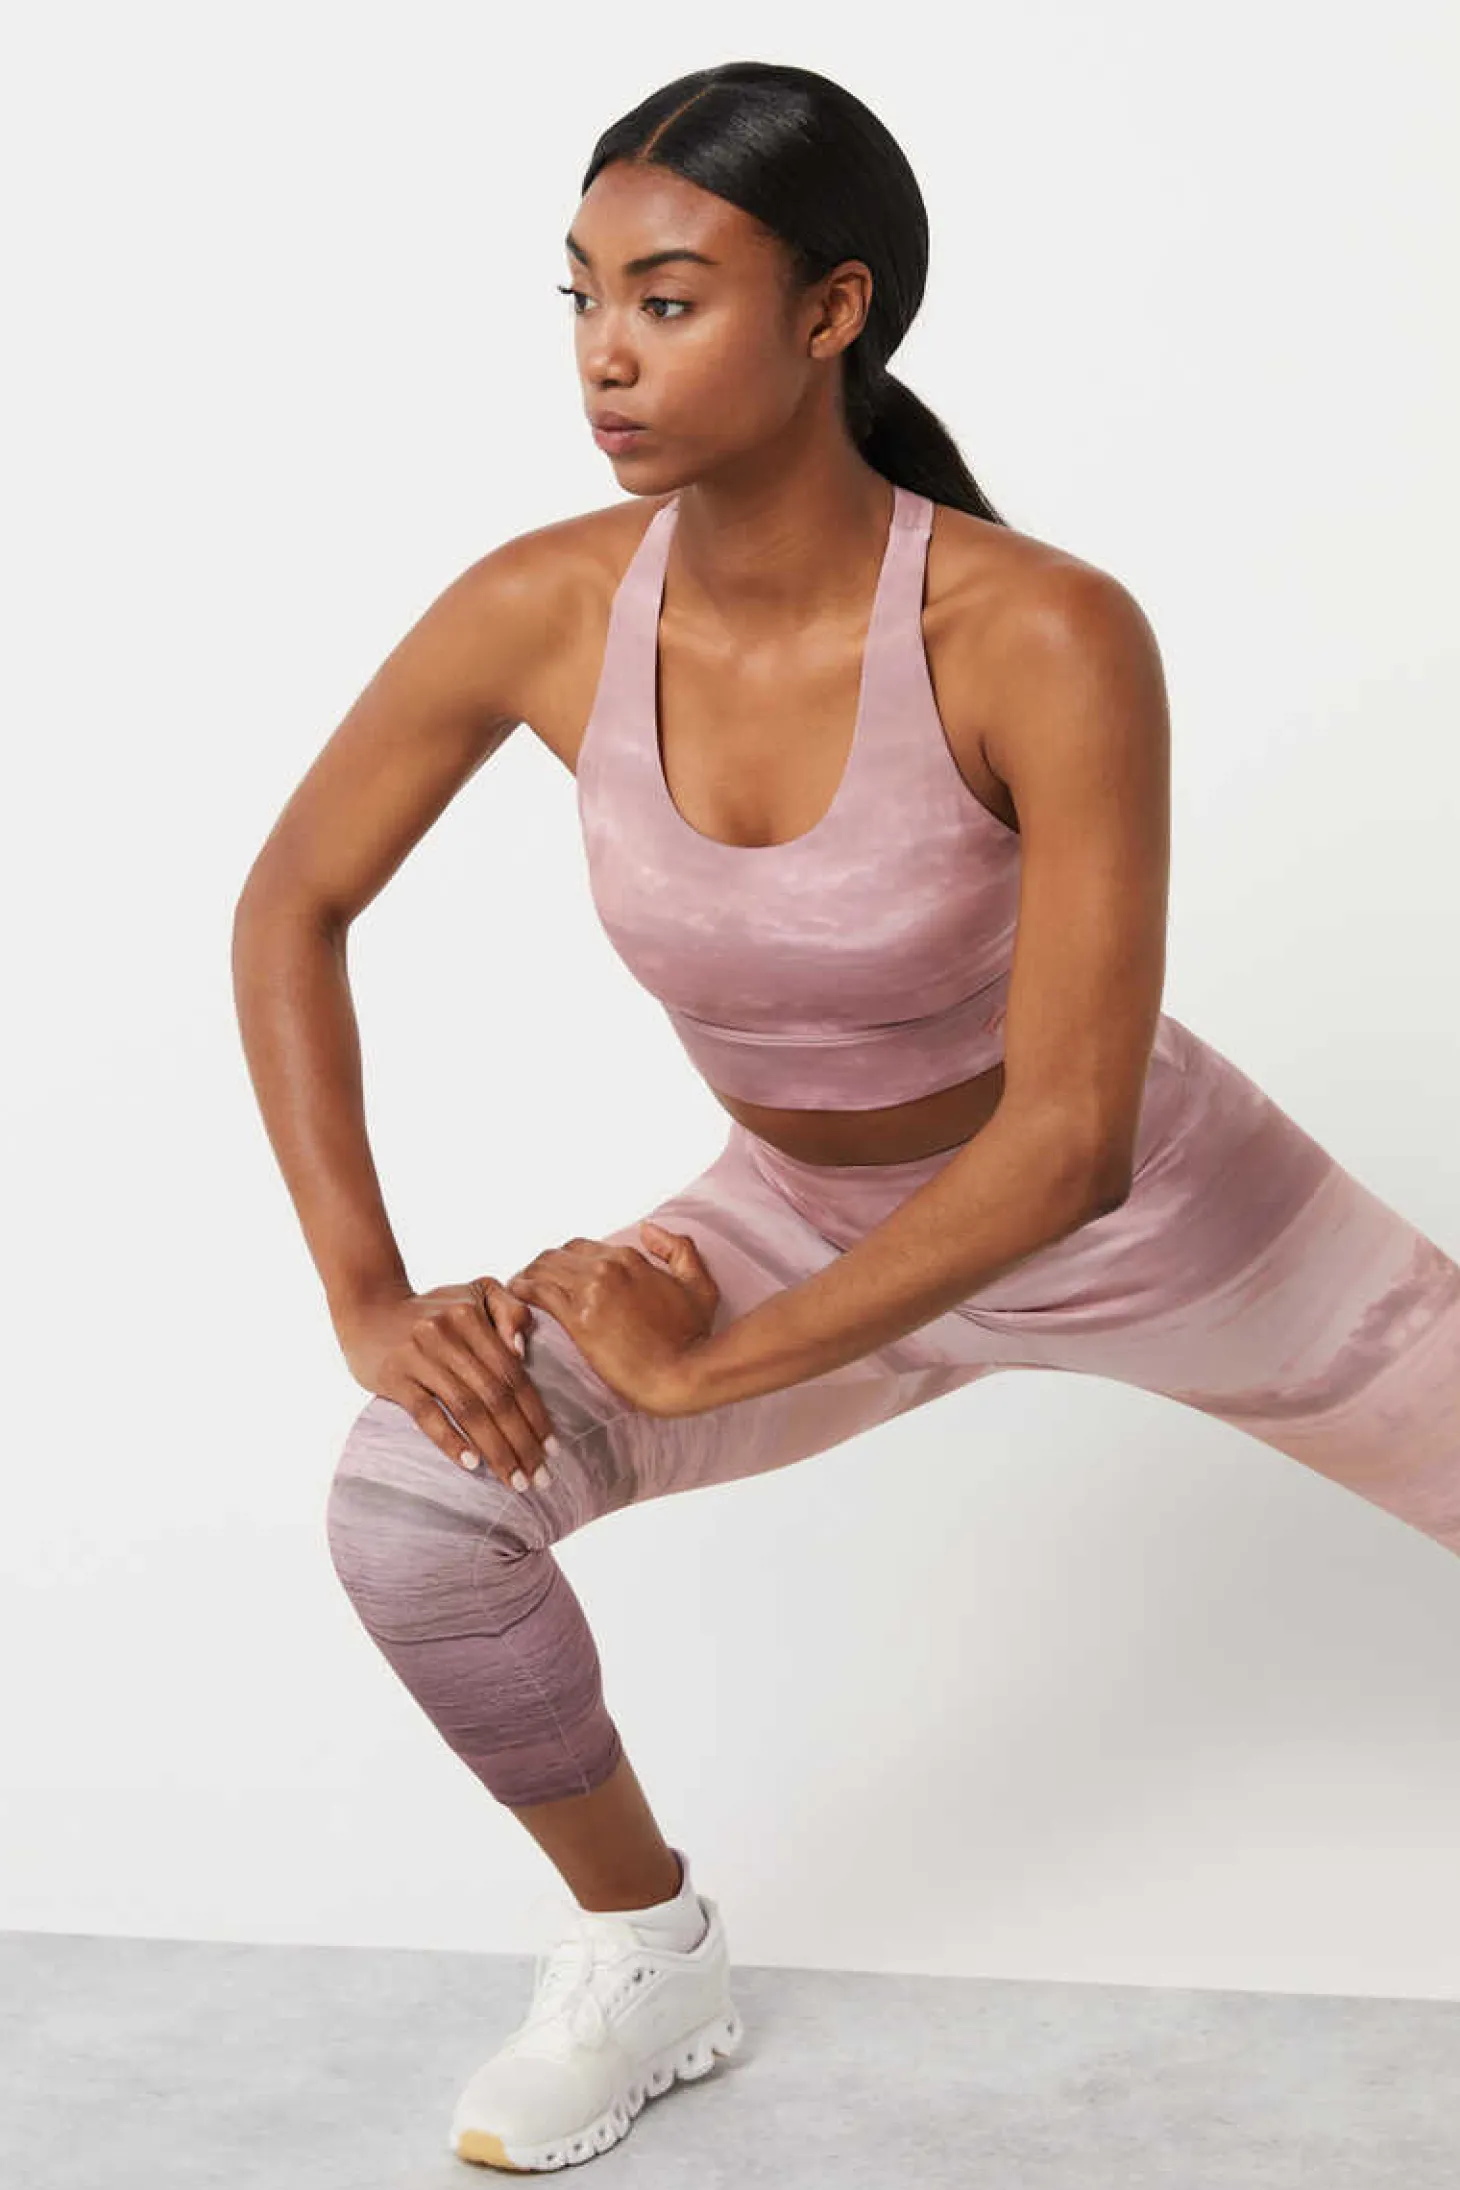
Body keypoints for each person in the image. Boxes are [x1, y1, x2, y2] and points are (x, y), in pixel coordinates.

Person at [232, 60, 1460, 2176]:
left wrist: (702, 1359)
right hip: (799, 1219)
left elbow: (1069, 1143)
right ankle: (648, 1951)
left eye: (670, 297)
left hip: (1161, 1214)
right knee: (416, 1512)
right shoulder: (546, 606)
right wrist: (367, 1296)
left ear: (832, 311)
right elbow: (292, 904)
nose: (607, 352)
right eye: (583, 294)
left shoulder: (1036, 626)